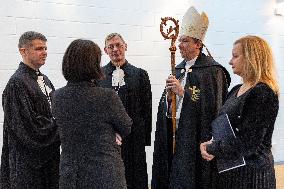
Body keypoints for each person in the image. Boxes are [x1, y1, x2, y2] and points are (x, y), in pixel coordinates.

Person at [152, 6, 231, 189]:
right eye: (179, 41)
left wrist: (182, 93)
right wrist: (169, 99)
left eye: (185, 41)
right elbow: (167, 106)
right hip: (176, 134)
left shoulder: (212, 72)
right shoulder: (178, 69)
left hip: (197, 136)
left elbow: (212, 108)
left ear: (198, 44)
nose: (180, 45)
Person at [200, 35, 279, 189]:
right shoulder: (236, 90)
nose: (230, 61)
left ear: (251, 58)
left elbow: (249, 143)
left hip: (253, 176)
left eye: (235, 56)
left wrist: (213, 147)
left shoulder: (262, 93)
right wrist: (211, 142)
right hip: (231, 171)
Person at [52, 39, 132, 189]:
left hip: (71, 176)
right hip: (104, 174)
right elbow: (126, 126)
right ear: (93, 64)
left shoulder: (57, 96)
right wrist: (112, 132)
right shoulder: (107, 97)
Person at [0, 31, 60, 189]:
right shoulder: (16, 84)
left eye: (46, 48)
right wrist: (61, 127)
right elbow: (27, 128)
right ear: (23, 51)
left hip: (49, 161)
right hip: (29, 166)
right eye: (39, 48)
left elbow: (55, 112)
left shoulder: (45, 80)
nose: (45, 52)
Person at [98, 33, 152, 189]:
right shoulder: (98, 76)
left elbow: (146, 109)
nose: (115, 49)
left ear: (125, 46)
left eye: (118, 45)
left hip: (134, 138)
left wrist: (144, 139)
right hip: (108, 139)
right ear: (105, 50)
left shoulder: (140, 74)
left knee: (134, 178)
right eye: (111, 46)